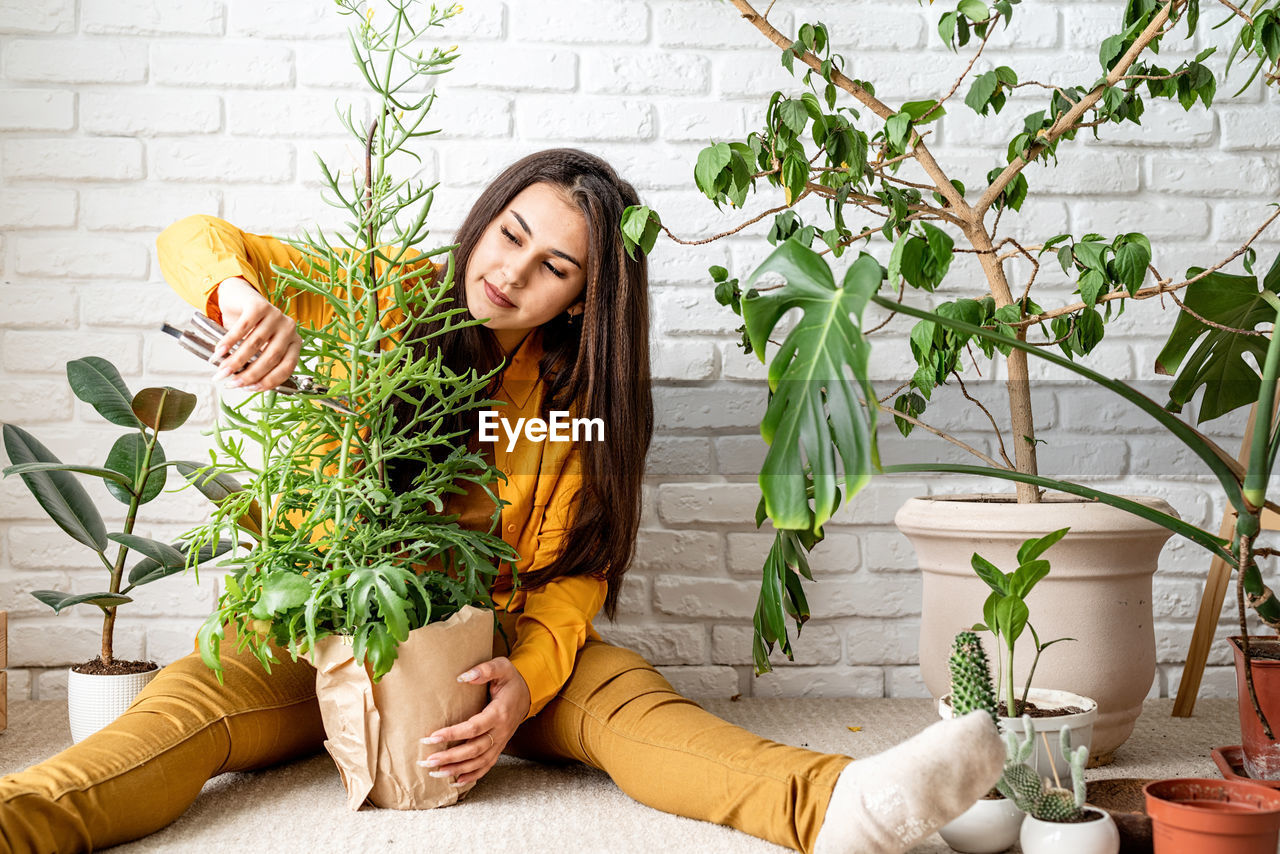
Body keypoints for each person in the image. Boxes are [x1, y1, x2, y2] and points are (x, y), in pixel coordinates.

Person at [0, 148, 1003, 854]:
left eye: (552, 266)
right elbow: (197, 236)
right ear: (485, 216)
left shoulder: (573, 403)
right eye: (510, 233)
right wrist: (240, 297)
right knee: (179, 717)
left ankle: (832, 805)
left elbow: (575, 576)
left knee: (625, 698)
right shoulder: (379, 289)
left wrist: (522, 680)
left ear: (582, 295)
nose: (509, 272)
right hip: (313, 631)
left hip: (486, 654)